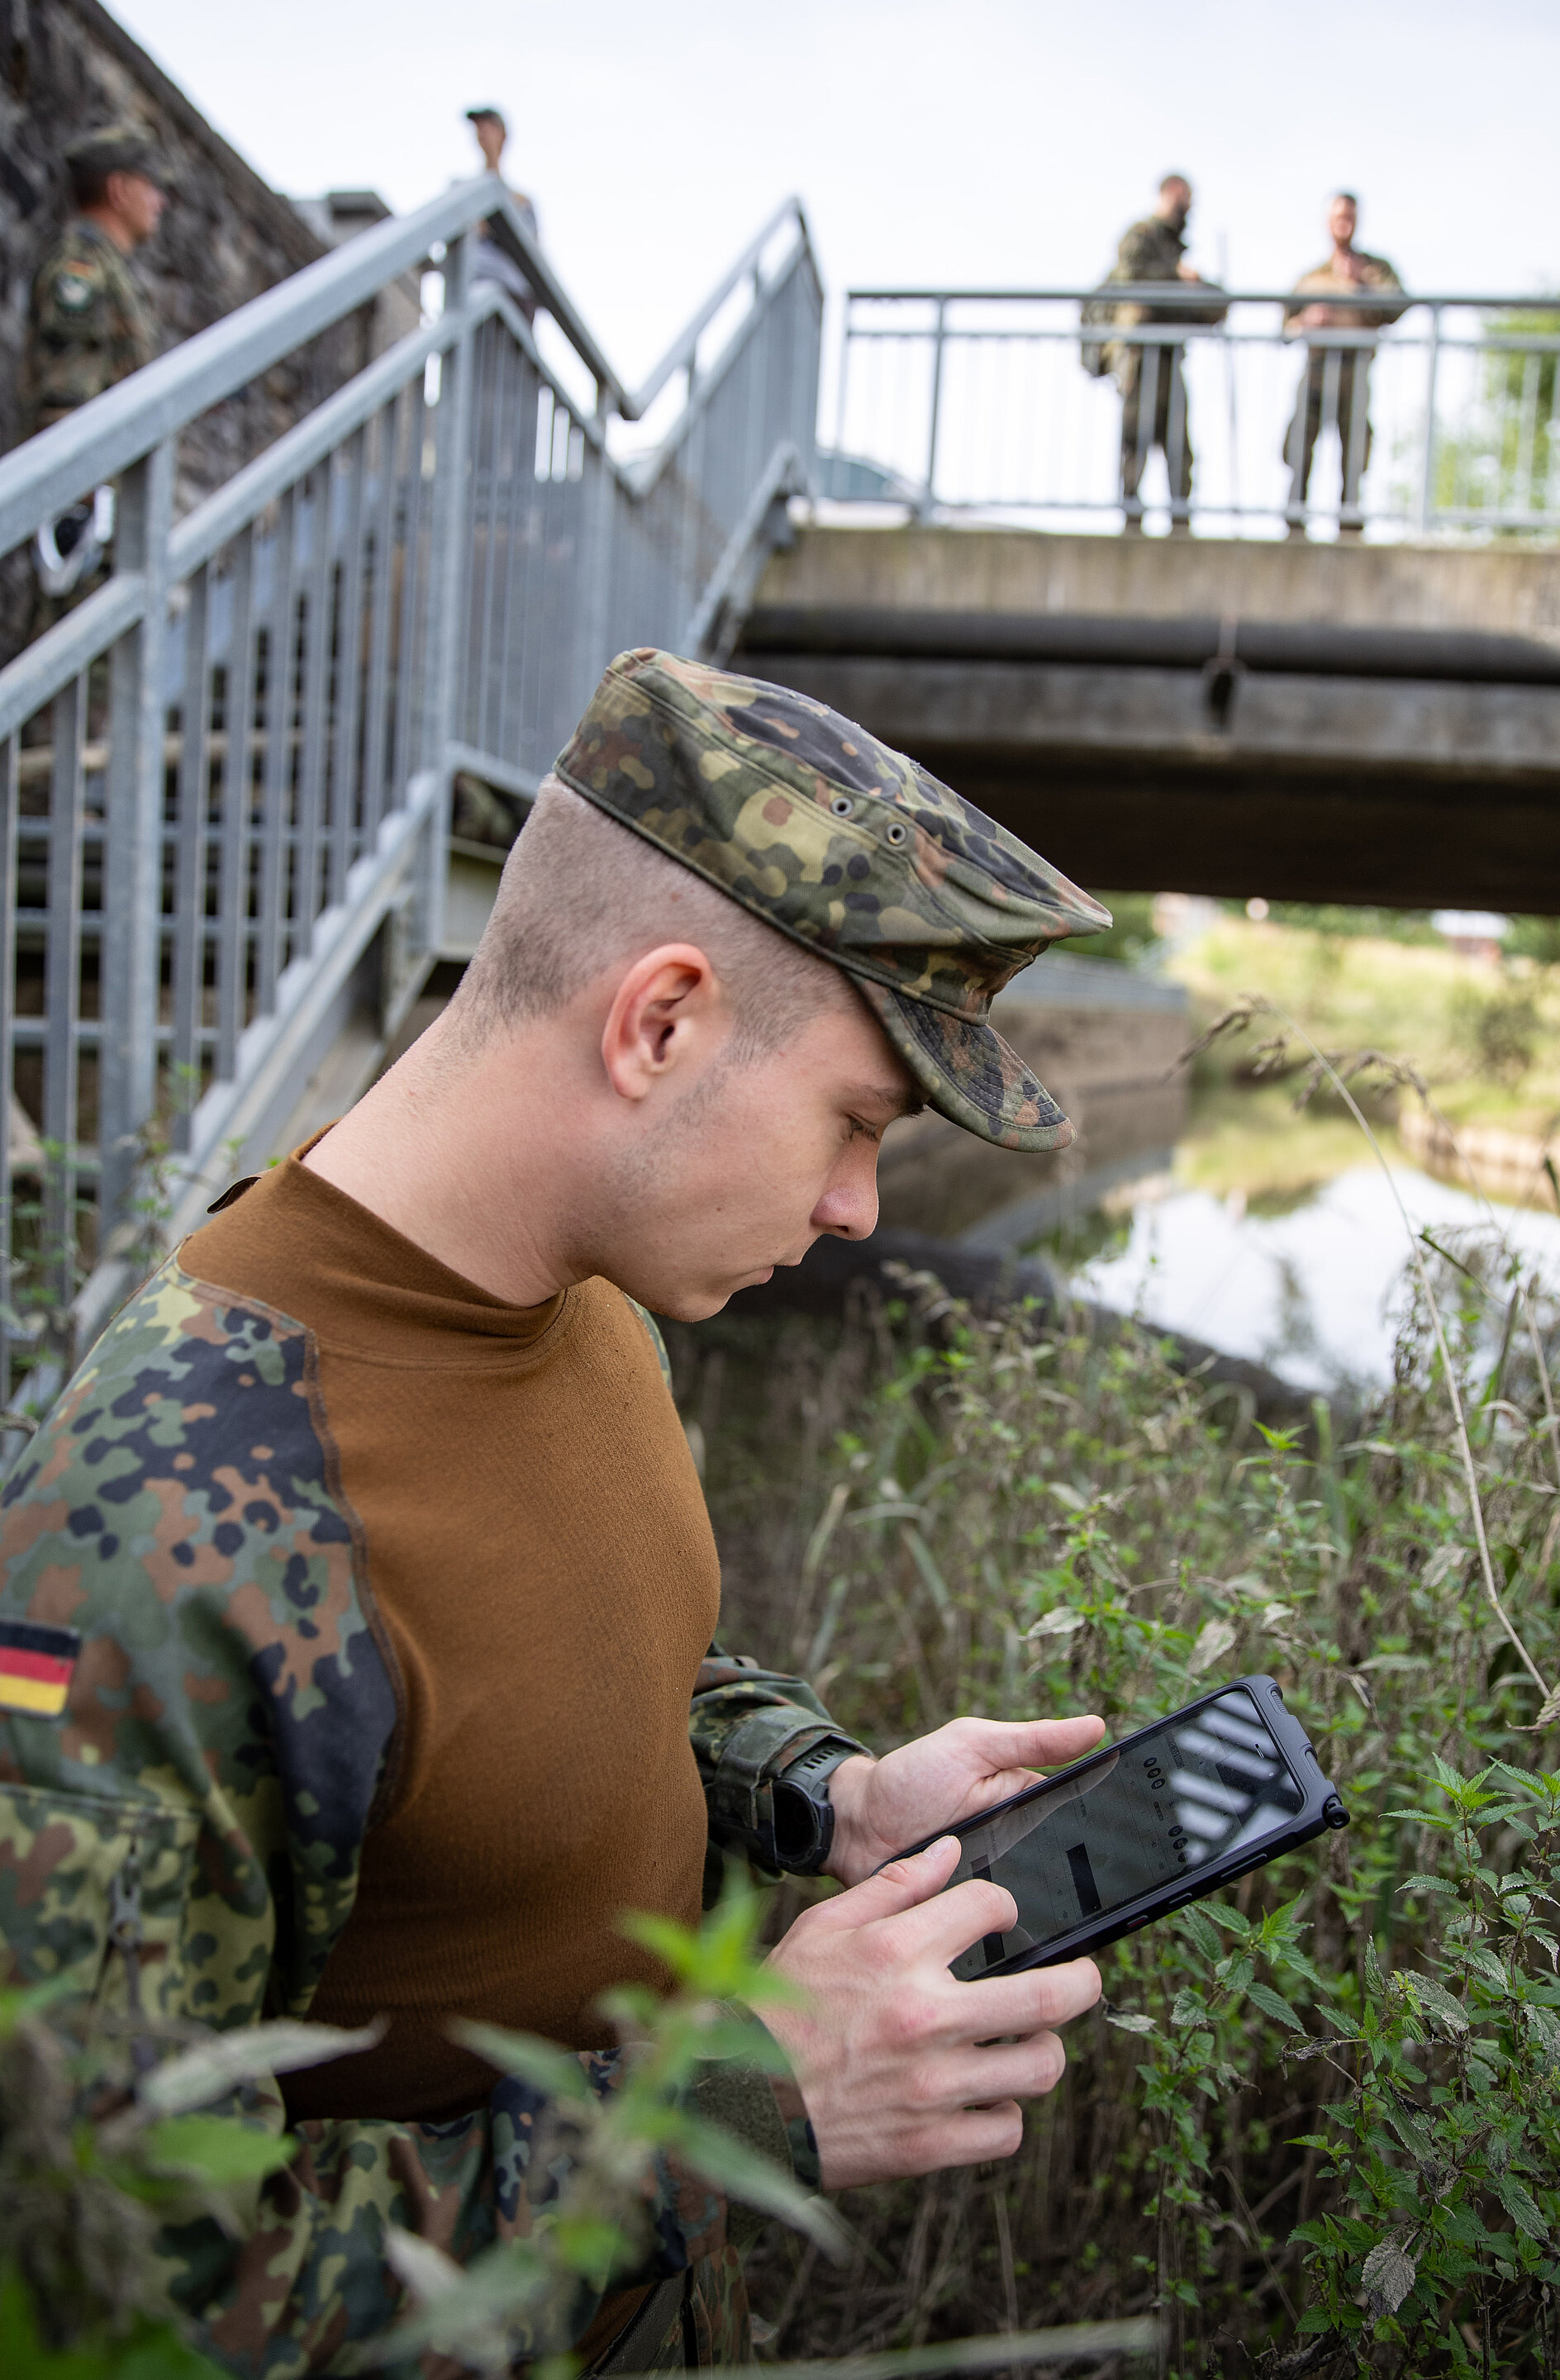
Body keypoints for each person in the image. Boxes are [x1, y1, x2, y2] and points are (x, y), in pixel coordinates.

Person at [0, 649, 1115, 2373]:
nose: (855, 1205)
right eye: (854, 1122)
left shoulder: (590, 1298)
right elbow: (107, 2286)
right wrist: (730, 2103)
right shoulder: (155, 1529)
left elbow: (574, 1673)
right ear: (660, 1024)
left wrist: (824, 1795)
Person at [16, 125, 168, 610]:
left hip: (111, 510)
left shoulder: (110, 267)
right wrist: (77, 510)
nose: (161, 201)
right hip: (89, 515)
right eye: (151, 186)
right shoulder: (81, 268)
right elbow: (67, 393)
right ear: (118, 190)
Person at [1094, 174, 1225, 533]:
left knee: (1178, 447)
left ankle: (1180, 524)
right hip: (1139, 359)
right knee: (1135, 440)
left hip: (1170, 360)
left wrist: (1191, 289)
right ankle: (1131, 523)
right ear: (1168, 195)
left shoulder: (1177, 252)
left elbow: (1216, 304)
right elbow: (1136, 279)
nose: (1187, 209)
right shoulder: (1140, 237)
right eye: (1183, 200)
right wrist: (1179, 282)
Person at [1282, 193, 1405, 539]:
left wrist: (1360, 287)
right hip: (1317, 368)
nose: (1343, 223)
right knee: (1299, 443)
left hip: (1355, 368)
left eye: (1349, 217)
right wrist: (1307, 320)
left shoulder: (1375, 270)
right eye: (1338, 217)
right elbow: (1285, 326)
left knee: (1355, 449)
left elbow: (1398, 307)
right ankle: (1294, 522)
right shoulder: (1311, 278)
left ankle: (1349, 524)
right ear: (1327, 222)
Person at [465, 102, 540, 300]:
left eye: (489, 126)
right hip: (472, 291)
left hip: (511, 293)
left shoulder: (522, 202)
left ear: (503, 135)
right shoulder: (463, 192)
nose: (482, 132)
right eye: (479, 127)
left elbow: (531, 252)